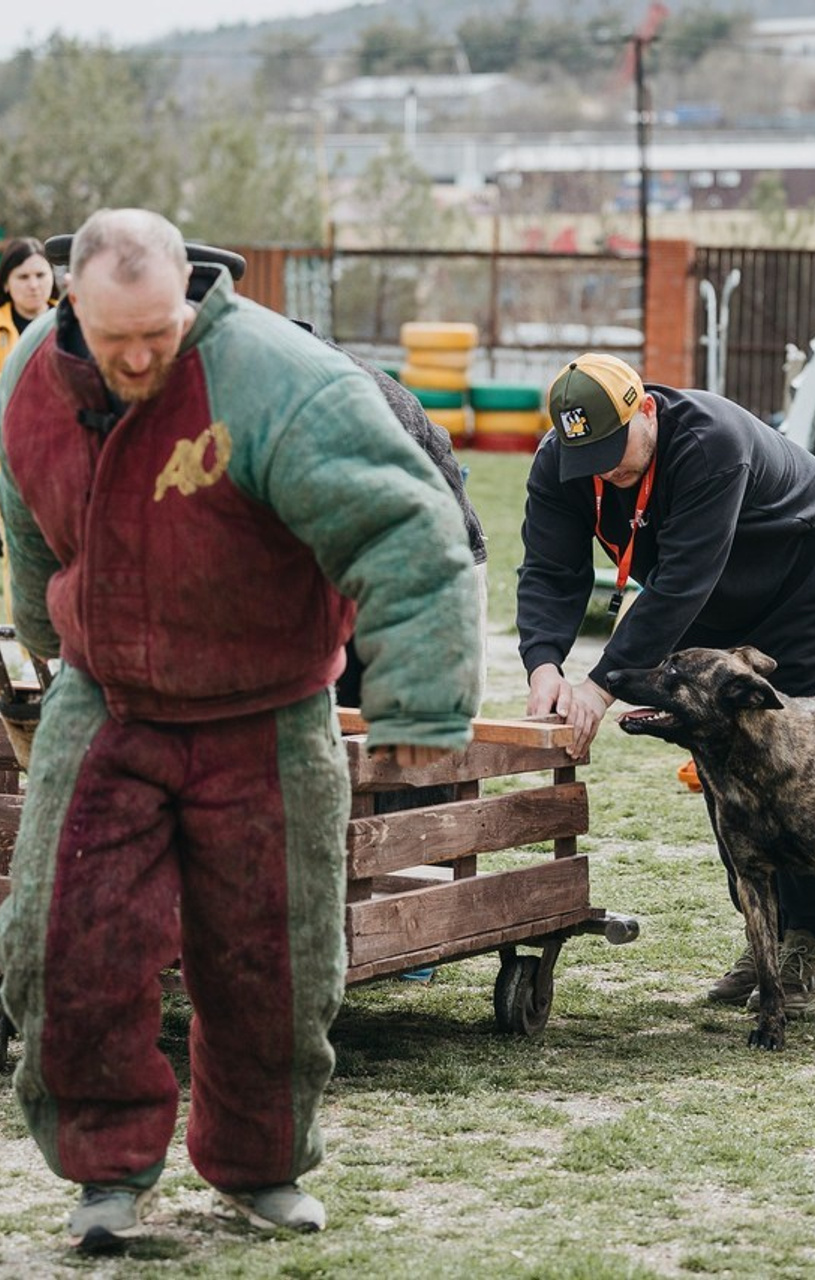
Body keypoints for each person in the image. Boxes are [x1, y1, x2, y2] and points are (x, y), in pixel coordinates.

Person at [0, 209, 482, 1253]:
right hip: (108, 695)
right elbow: (26, 514)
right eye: (113, 335)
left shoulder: (280, 380)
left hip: (263, 709)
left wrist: (420, 722)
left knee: (275, 954)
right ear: (70, 301)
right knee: (61, 937)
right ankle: (106, 1173)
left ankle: (261, 1165)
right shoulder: (31, 372)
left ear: (191, 299)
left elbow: (409, 533)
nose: (134, 358)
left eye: (158, 335)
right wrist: (44, 627)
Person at [516, 352, 815, 1018]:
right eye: (589, 457)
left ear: (645, 409)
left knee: (795, 760)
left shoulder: (711, 443)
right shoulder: (563, 464)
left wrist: (600, 685)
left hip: (801, 580)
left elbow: (679, 582)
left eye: (618, 451)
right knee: (720, 752)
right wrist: (544, 664)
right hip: (712, 601)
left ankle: (806, 945)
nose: (608, 470)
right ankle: (765, 934)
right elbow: (550, 573)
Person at [0, 236, 58, 372]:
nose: (33, 285)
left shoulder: (74, 319)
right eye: (23, 277)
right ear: (6, 284)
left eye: (40, 275)